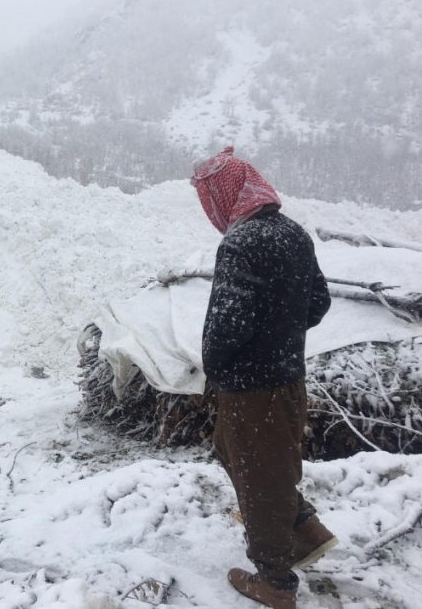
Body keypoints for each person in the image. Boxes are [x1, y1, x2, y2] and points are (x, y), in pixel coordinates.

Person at [191, 147, 337, 609]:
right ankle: (304, 528)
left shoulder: (241, 242)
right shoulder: (292, 233)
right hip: (289, 377)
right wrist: (282, 335)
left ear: (223, 194)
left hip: (252, 386)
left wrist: (216, 366)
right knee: (248, 457)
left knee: (259, 474)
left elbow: (225, 325)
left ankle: (275, 581)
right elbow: (318, 303)